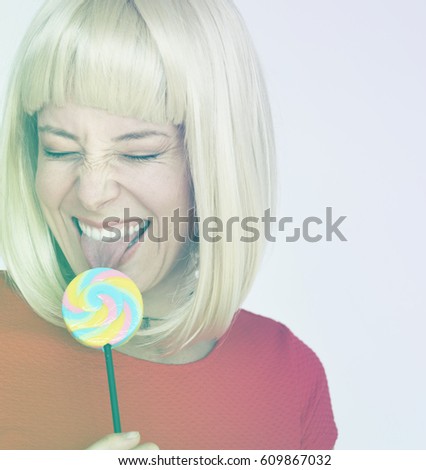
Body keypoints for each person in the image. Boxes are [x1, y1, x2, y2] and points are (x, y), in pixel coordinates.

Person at [0, 0, 338, 450]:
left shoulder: (289, 377)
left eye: (139, 152)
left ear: (215, 165)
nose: (91, 192)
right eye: (59, 149)